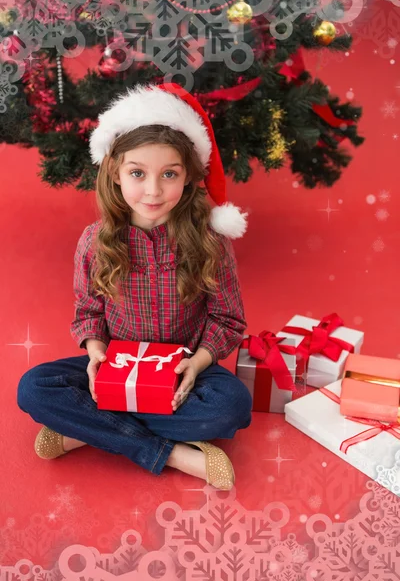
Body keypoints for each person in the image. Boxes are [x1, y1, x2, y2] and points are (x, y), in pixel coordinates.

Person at [17, 82, 253, 491]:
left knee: (231, 406)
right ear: (115, 172)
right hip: (115, 370)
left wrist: (195, 365)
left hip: (183, 374)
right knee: (34, 390)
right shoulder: (95, 240)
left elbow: (227, 319)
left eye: (169, 175)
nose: (153, 190)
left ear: (189, 177)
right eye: (138, 173)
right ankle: (172, 453)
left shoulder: (210, 242)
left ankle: (85, 432)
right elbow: (88, 311)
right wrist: (95, 355)